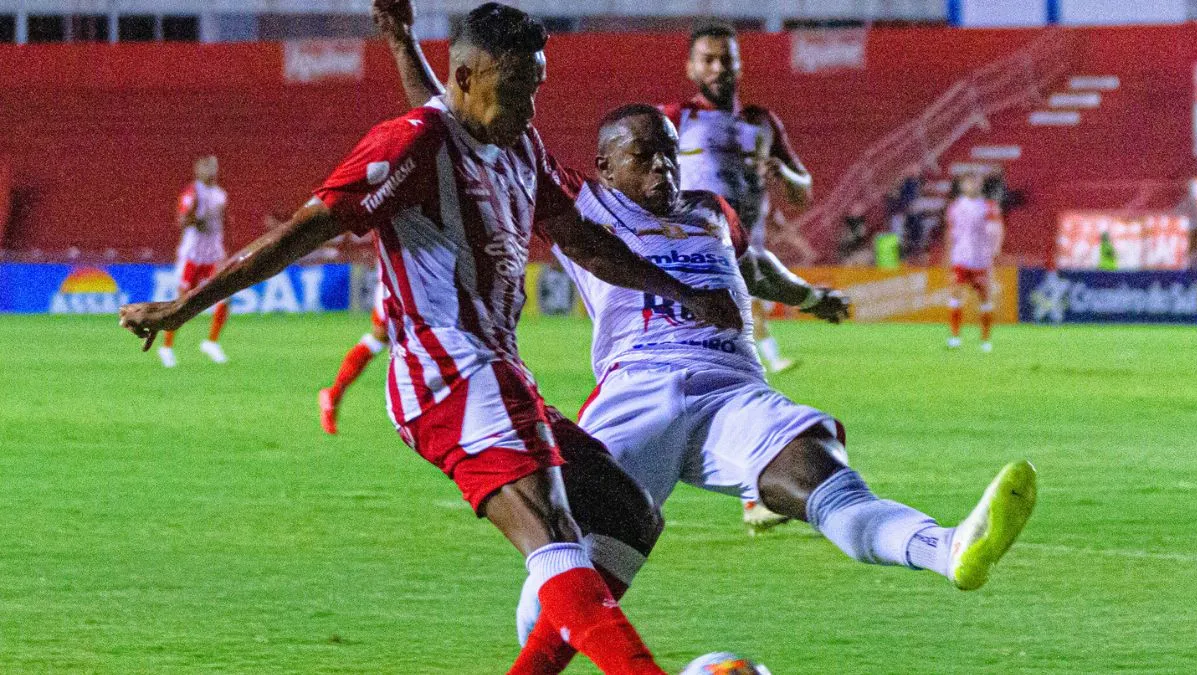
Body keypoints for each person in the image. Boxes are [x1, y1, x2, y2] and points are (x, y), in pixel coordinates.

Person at [376, 14, 1037, 673]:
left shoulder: (712, 211)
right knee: (567, 577)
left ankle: (947, 547)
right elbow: (460, 130)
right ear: (605, 166)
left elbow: (758, 270)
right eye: (645, 155)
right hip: (638, 390)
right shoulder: (583, 205)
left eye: (670, 151)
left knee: (820, 473)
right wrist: (405, 43)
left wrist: (812, 297)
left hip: (732, 387)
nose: (665, 166)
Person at [121, 4, 746, 672]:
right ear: (470, 77)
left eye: (535, 90)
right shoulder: (410, 143)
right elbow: (302, 230)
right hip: (445, 368)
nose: (529, 110)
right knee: (556, 533)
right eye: (516, 92)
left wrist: (680, 293)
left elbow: (582, 240)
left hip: (496, 369)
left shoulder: (512, 142)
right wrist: (185, 305)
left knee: (629, 513)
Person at [660, 22, 825, 530]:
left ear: (739, 64)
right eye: (707, 59)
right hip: (688, 264)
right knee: (702, 377)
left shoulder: (762, 122)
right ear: (691, 67)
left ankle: (751, 492)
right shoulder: (674, 118)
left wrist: (783, 174)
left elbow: (803, 191)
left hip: (742, 263)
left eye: (726, 59)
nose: (718, 68)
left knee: (725, 378)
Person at [159, 155, 230, 368]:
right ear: (199, 171)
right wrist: (196, 219)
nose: (211, 172)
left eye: (214, 168)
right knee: (183, 303)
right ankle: (167, 347)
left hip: (213, 255)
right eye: (207, 168)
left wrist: (223, 250)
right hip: (192, 256)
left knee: (224, 296)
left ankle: (211, 342)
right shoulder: (193, 193)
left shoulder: (220, 195)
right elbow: (182, 220)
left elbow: (222, 224)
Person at [318, 273, 389, 435]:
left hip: (419, 277)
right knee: (383, 336)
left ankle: (333, 394)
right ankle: (333, 394)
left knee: (383, 337)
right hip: (402, 279)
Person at [944, 172, 1003, 352]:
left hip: (980, 259)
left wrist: (994, 252)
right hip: (960, 257)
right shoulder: (955, 207)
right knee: (955, 293)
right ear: (963, 186)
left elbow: (998, 229)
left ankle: (985, 340)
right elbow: (950, 232)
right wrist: (947, 255)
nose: (973, 186)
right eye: (969, 182)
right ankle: (955, 337)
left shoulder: (988, 207)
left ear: (981, 185)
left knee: (984, 297)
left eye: (976, 182)